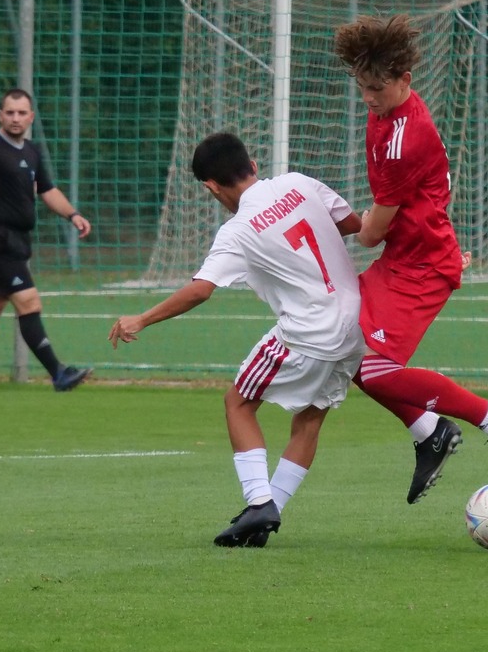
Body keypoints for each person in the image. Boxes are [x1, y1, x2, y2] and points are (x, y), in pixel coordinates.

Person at [109, 133, 364, 548]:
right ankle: (262, 519)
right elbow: (354, 225)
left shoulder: (238, 230)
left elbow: (200, 290)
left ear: (211, 187)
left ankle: (259, 502)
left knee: (238, 404)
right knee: (310, 420)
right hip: (354, 325)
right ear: (254, 165)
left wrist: (142, 318)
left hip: (307, 331)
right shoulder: (298, 183)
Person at [333, 15, 488, 503]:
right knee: (342, 346)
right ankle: (430, 432)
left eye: (377, 88)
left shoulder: (404, 137)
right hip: (410, 255)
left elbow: (371, 234)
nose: (368, 97)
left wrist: (339, 223)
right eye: (362, 86)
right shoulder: (386, 115)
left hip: (420, 268)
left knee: (375, 368)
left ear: (405, 80)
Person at [0, 89, 93, 391]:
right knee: (28, 301)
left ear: (31, 117)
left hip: (18, 241)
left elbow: (47, 190)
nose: (15, 118)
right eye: (10, 112)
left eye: (21, 113)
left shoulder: (31, 151)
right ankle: (59, 373)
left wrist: (73, 214)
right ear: (0, 115)